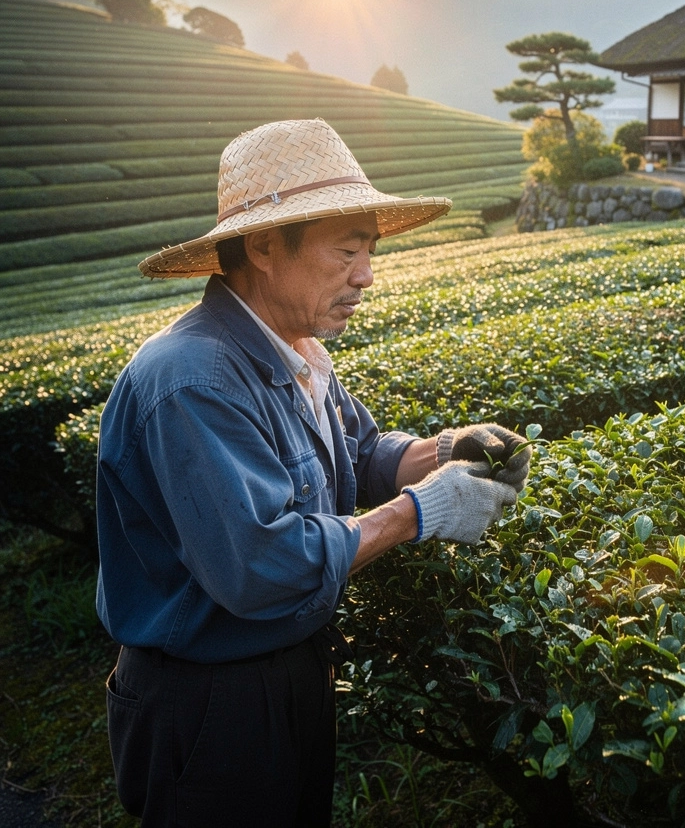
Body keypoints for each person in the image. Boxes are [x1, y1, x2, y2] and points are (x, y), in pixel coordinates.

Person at [95, 118, 530, 827]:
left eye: (370, 251)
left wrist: (450, 449)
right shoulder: (194, 380)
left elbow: (359, 453)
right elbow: (260, 564)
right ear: (265, 247)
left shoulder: (293, 349)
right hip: (209, 702)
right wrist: (420, 512)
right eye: (346, 251)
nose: (366, 275)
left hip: (288, 674)